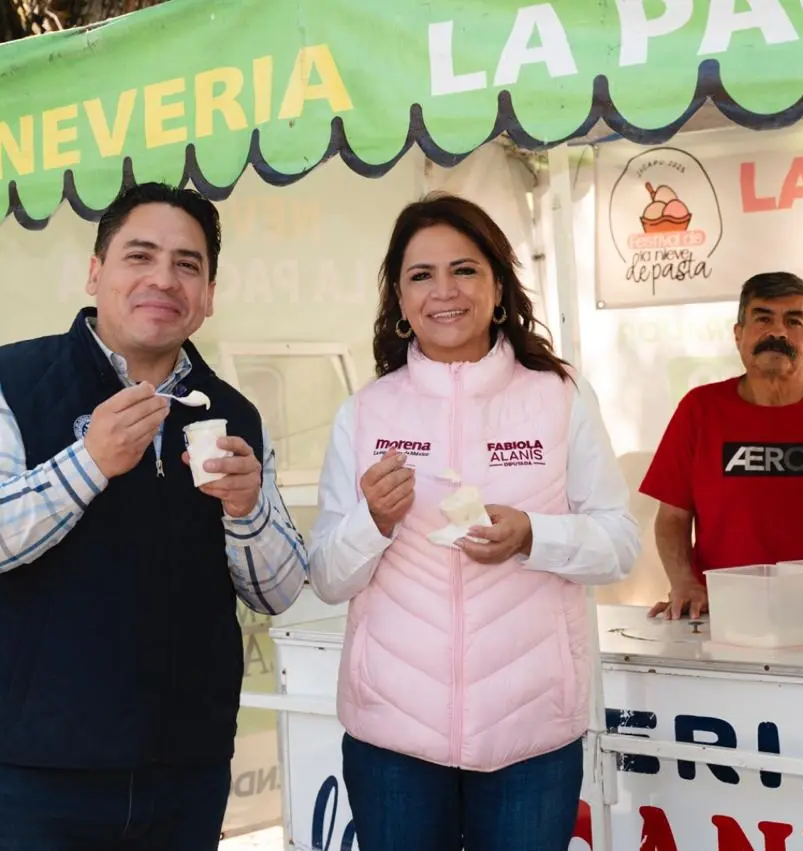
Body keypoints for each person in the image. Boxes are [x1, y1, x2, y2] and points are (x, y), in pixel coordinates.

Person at [0, 182, 308, 850]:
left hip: (182, 777)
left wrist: (246, 510)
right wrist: (89, 462)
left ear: (210, 294)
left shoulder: (232, 413)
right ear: (96, 270)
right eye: (141, 255)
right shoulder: (8, 380)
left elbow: (278, 589)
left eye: (188, 264)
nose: (164, 278)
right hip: (30, 778)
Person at [308, 193, 641, 851]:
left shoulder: (559, 396)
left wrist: (534, 535)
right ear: (398, 300)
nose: (444, 291)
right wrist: (372, 520)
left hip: (531, 733)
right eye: (421, 275)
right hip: (393, 738)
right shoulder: (365, 411)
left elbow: (619, 543)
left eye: (464, 269)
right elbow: (326, 574)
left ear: (498, 286)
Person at [641, 272, 803, 619]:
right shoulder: (699, 409)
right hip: (720, 615)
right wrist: (684, 583)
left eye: (794, 321)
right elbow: (671, 519)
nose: (777, 332)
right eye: (763, 318)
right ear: (738, 334)